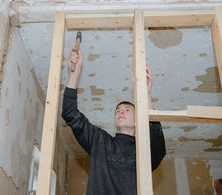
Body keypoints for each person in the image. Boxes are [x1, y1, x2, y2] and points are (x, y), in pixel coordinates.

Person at [62, 48, 166, 195]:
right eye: (118, 110)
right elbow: (70, 113)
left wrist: (146, 94)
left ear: (138, 121)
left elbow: (157, 142)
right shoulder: (99, 141)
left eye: (127, 110)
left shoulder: (143, 152)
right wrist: (74, 74)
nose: (121, 111)